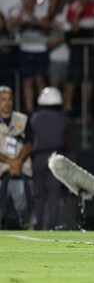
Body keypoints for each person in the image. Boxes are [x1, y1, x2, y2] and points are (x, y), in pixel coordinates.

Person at [29, 87, 70, 230]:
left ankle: (37, 225)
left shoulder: (35, 118)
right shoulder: (64, 119)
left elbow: (31, 140)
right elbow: (66, 141)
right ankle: (51, 227)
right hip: (56, 158)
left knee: (38, 195)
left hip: (38, 158)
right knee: (54, 196)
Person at [0, 86, 34, 229]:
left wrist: (18, 161)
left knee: (24, 203)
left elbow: (29, 143)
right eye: (3, 100)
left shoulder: (23, 119)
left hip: (21, 169)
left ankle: (29, 226)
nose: (7, 103)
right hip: (2, 169)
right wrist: (11, 162)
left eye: (9, 99)